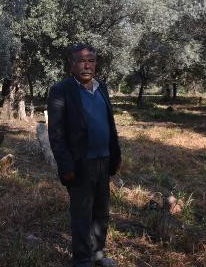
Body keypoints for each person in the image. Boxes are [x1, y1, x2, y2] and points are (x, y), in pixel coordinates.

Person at [47, 44, 121, 267]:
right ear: (72, 65)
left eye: (91, 61)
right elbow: (56, 133)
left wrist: (115, 155)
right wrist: (66, 166)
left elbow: (110, 123)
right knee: (82, 215)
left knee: (101, 212)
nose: (86, 65)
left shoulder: (102, 87)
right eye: (81, 61)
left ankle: (97, 254)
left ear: (95, 64)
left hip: (104, 160)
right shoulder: (61, 90)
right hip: (80, 164)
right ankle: (82, 261)